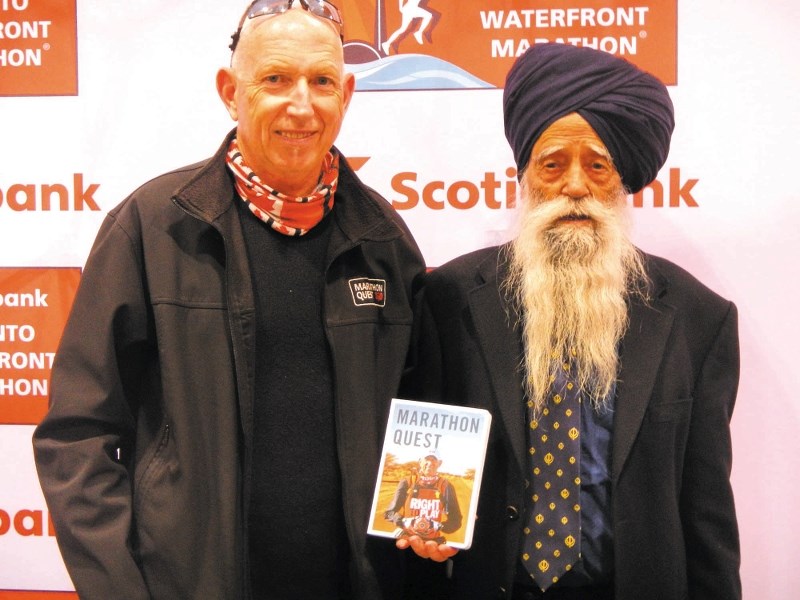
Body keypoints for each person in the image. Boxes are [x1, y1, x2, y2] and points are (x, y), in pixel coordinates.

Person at [31, 2, 425, 599]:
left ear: (346, 95)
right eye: (275, 79)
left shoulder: (382, 240)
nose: (301, 104)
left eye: (321, 81)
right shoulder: (154, 228)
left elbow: (427, 413)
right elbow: (76, 437)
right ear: (229, 90)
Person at [400, 43, 741, 599]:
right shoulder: (449, 298)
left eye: (597, 166)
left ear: (623, 180)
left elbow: (707, 514)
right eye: (553, 164)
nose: (575, 186)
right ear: (525, 177)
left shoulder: (697, 317)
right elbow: (422, 472)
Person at [384, 450, 463, 544]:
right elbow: (389, 513)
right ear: (420, 461)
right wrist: (403, 521)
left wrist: (438, 526)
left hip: (433, 541)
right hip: (407, 537)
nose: (430, 463)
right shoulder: (407, 482)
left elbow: (456, 520)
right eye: (427, 459)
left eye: (434, 460)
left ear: (439, 463)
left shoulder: (445, 486)